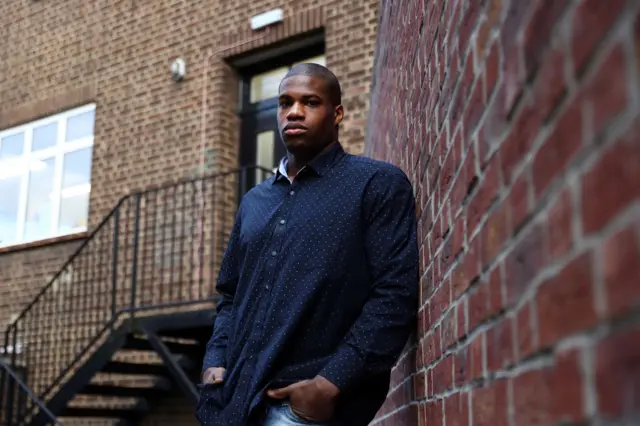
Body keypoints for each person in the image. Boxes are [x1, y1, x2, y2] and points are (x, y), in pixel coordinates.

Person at [196, 63, 419, 426]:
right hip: (233, 402)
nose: (294, 112)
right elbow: (231, 295)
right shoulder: (254, 202)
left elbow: (394, 294)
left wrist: (329, 385)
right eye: (285, 103)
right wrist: (214, 363)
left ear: (337, 113)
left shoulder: (375, 184)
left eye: (310, 102)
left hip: (303, 410)